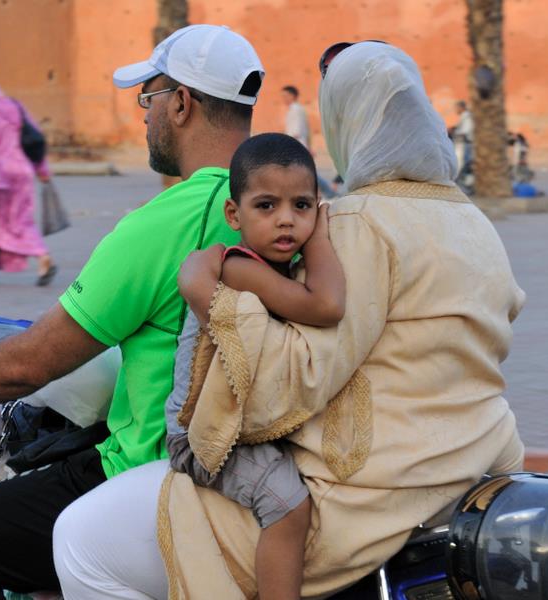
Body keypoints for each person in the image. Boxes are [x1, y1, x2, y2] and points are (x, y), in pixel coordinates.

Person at [52, 40, 525, 599]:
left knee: (78, 538)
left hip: (359, 499)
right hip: (468, 471)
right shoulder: (475, 225)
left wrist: (211, 298)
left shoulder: (356, 225)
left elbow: (284, 391)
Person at [0, 24, 264, 600]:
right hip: (251, 471)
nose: (144, 116)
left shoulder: (165, 220)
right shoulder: (289, 204)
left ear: (180, 103)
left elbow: (29, 364)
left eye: (148, 99)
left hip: (146, 474)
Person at [166, 132, 345, 600]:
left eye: (302, 206)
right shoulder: (239, 267)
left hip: (243, 422)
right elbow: (327, 306)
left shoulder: (271, 266)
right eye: (266, 206)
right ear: (234, 214)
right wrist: (321, 235)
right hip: (199, 438)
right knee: (289, 505)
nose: (286, 220)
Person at [0, 78, 57, 285]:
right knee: (21, 219)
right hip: (22, 171)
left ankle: (36, 256)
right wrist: (42, 170)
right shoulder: (14, 106)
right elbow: (34, 138)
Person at [282, 84, 336, 198]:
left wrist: (285, 144)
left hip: (295, 145)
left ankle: (326, 192)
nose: (284, 98)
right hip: (298, 145)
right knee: (306, 171)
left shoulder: (295, 110)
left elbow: (296, 131)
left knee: (305, 172)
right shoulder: (297, 109)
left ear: (292, 96)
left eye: (286, 95)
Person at [453, 99, 474, 179]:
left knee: (461, 163)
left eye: (456, 108)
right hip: (462, 143)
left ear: (461, 107)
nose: (455, 110)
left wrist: (455, 132)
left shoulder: (467, 116)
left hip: (464, 144)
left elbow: (465, 131)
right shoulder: (464, 116)